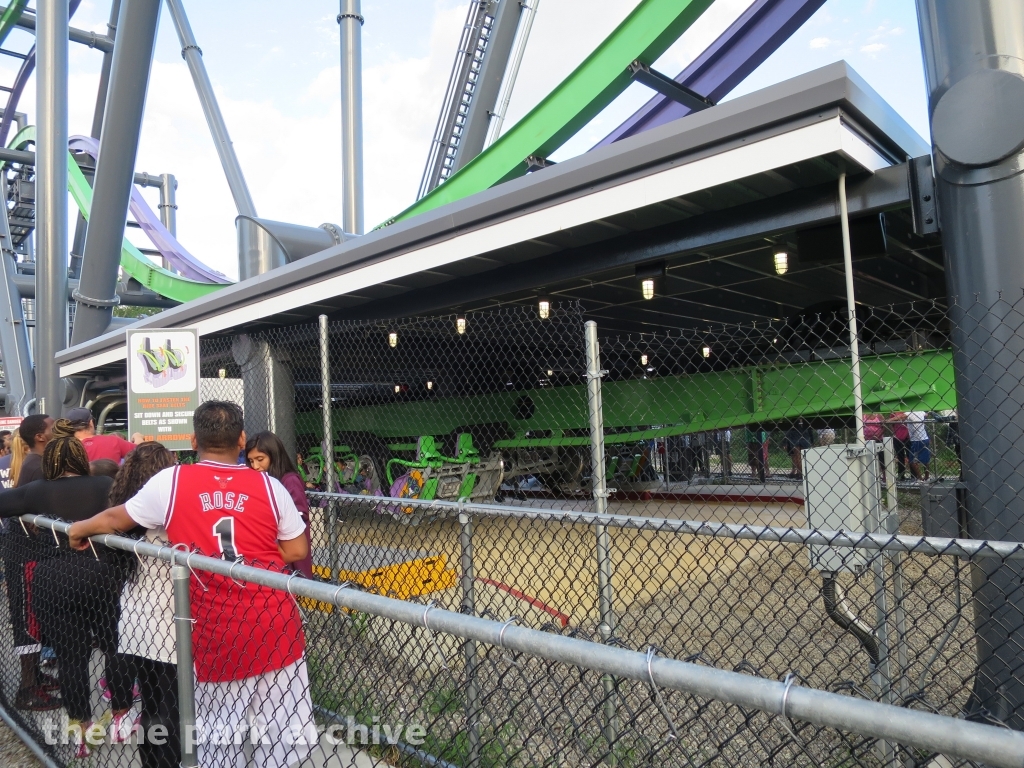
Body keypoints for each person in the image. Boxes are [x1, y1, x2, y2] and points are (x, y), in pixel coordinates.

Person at [69, 401, 316, 767]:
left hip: (218, 629)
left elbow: (115, 518)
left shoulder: (172, 480)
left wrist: (78, 529)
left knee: (220, 737)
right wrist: (257, 549)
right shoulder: (269, 484)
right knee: (282, 734)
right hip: (274, 621)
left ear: (193, 439)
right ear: (242, 439)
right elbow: (297, 547)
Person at [0, 420, 136, 756]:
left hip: (54, 579)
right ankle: (120, 714)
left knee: (71, 658)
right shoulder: (104, 483)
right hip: (103, 575)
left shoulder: (39, 490)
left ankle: (81, 733)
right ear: (79, 457)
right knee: (115, 646)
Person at [108, 442, 180, 768]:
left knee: (152, 702)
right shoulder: (169, 509)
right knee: (172, 705)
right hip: (170, 619)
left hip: (137, 615)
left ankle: (152, 762)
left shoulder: (122, 512)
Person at [0, 415, 58, 711]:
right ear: (40, 436)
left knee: (35, 617)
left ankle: (35, 677)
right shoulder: (36, 464)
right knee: (27, 621)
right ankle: (27, 690)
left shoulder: (38, 462)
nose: (55, 430)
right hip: (25, 554)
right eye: (51, 428)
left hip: (33, 552)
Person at [246, 431, 314, 578]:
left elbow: (299, 517)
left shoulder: (290, 480)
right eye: (251, 461)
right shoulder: (261, 481)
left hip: (290, 562)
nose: (255, 466)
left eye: (260, 459)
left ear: (274, 456)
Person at [65, 407, 143, 463]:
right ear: (91, 423)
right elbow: (143, 451)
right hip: (111, 485)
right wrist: (138, 437)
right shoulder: (112, 441)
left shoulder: (63, 448)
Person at [905, 410, 931, 481]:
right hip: (924, 438)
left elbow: (901, 416)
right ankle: (926, 477)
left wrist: (889, 420)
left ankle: (920, 478)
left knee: (912, 460)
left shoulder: (909, 412)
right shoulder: (920, 412)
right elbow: (926, 415)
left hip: (916, 440)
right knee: (926, 459)